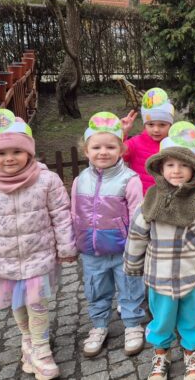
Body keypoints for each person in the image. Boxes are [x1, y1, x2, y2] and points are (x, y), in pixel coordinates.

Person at [0, 109, 76, 380]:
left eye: (17, 151)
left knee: (37, 303)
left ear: (29, 152)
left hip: (39, 256)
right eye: (1, 153)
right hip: (6, 261)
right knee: (18, 304)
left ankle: (41, 350)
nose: (9, 158)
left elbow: (61, 216)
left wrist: (66, 247)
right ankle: (27, 340)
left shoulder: (46, 180)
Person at [125, 127, 195, 380]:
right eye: (170, 164)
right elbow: (137, 235)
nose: (176, 170)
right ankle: (161, 353)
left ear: (194, 169)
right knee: (161, 318)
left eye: (183, 165)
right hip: (159, 276)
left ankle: (191, 352)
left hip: (192, 276)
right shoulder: (150, 199)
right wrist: (133, 264)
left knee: (194, 317)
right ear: (160, 168)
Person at [72, 112, 145, 358]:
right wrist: (74, 241)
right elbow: (74, 213)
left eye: (110, 147)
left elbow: (137, 215)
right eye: (96, 147)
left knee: (130, 288)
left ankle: (133, 324)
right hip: (92, 251)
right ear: (86, 151)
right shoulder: (80, 180)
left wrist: (137, 245)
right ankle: (99, 325)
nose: (103, 152)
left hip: (123, 249)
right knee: (96, 289)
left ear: (121, 149)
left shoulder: (130, 180)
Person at [121, 88, 175, 193]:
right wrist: (122, 134)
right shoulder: (135, 143)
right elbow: (118, 155)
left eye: (162, 125)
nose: (156, 129)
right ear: (145, 125)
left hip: (164, 197)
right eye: (151, 124)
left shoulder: (174, 144)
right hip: (140, 197)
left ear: (170, 125)